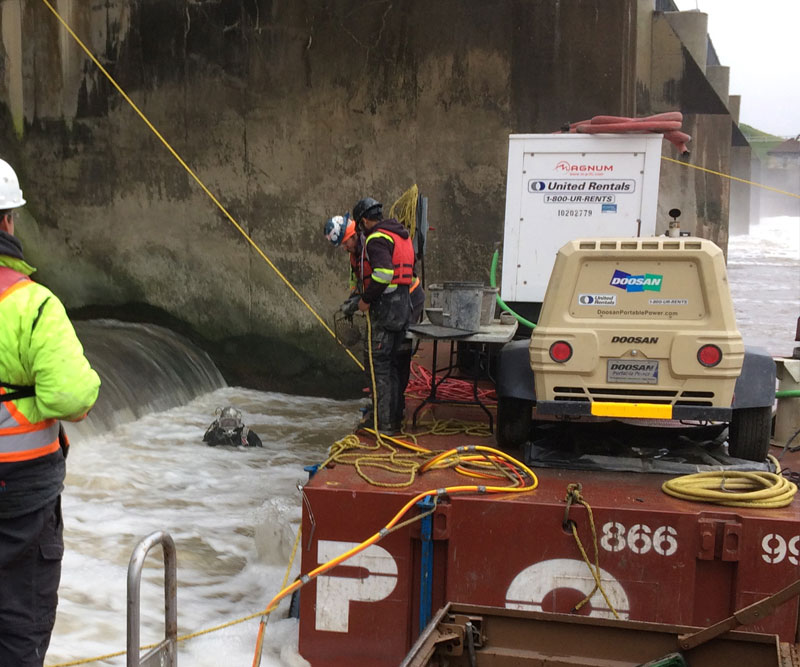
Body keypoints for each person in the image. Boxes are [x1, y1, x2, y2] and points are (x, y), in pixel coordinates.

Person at [0, 159, 101, 666]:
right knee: (19, 623)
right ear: (7, 222)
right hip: (20, 495)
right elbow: (73, 398)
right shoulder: (33, 305)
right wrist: (31, 400)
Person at [351, 196, 420, 435]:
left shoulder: (376, 239)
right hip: (404, 308)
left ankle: (383, 424)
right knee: (392, 366)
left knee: (378, 366)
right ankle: (393, 418)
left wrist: (365, 300)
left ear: (363, 221)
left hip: (386, 310)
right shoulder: (401, 235)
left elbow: (382, 274)